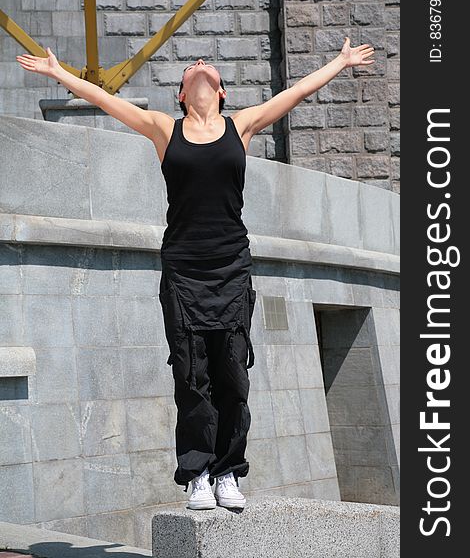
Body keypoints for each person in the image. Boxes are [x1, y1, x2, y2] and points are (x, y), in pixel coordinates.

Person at [16, 38, 375, 510]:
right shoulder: (165, 129)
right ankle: (198, 474)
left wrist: (340, 59)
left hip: (231, 268)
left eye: (208, 66)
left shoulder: (240, 126)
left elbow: (295, 95)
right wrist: (60, 74)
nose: (200, 66)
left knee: (232, 376)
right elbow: (106, 99)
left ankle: (228, 472)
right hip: (184, 270)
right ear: (182, 94)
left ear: (222, 92)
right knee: (192, 376)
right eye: (191, 67)